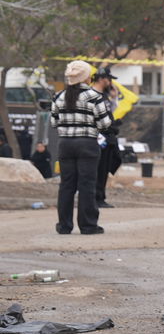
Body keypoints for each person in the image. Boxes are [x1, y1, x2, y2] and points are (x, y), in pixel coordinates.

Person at [51, 60, 113, 235]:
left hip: (65, 144)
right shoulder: (94, 96)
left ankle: (64, 226)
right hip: (87, 144)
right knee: (87, 185)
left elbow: (54, 122)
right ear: (86, 77)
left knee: (66, 185)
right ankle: (88, 225)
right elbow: (104, 124)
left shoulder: (58, 96)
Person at [90, 67, 121, 209]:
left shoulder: (104, 97)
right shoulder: (92, 96)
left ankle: (100, 196)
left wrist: (114, 98)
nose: (110, 83)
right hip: (97, 138)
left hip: (107, 138)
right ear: (102, 79)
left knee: (105, 168)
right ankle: (95, 197)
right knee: (97, 169)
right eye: (109, 79)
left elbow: (109, 113)